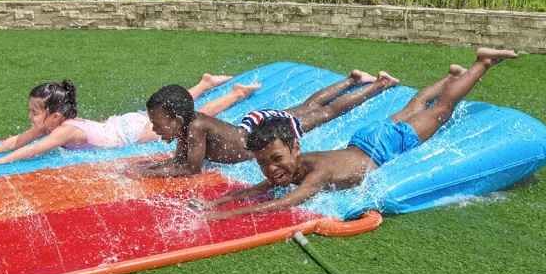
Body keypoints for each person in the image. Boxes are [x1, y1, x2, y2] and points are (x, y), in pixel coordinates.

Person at [196, 47, 518, 220]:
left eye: (276, 159)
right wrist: (219, 202)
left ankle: (482, 62)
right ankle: (451, 77)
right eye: (264, 163)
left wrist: (225, 216)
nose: (271, 169)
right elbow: (259, 188)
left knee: (439, 110)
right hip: (366, 142)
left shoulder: (316, 174)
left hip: (383, 146)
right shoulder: (292, 166)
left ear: (295, 147)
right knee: (415, 106)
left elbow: (282, 204)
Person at [0, 73, 258, 169]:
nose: (30, 118)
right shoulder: (63, 123)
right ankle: (204, 83)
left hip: (131, 134)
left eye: (35, 112)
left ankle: (235, 94)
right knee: (172, 107)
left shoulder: (64, 131)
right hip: (123, 122)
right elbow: (19, 140)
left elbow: (30, 149)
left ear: (55, 116)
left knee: (184, 117)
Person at [141, 69, 398, 178]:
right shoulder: (188, 125)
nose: (154, 129)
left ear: (176, 120)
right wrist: (152, 167)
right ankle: (352, 79)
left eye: (157, 124)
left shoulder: (195, 128)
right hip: (254, 126)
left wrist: (147, 173)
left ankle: (379, 84)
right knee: (309, 106)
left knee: (324, 113)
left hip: (263, 132)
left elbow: (190, 168)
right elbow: (180, 160)